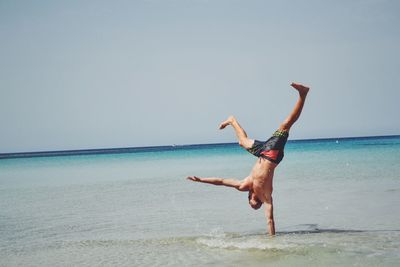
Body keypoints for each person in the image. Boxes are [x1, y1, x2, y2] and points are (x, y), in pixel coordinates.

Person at [187, 82, 309, 235]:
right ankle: (303, 95)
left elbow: (221, 181)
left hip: (262, 153)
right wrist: (272, 243)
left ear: (250, 194)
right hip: (271, 155)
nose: (254, 202)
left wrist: (201, 180)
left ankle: (232, 120)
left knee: (242, 142)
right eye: (255, 204)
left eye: (252, 202)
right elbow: (270, 220)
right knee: (285, 126)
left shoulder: (246, 184)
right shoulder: (266, 195)